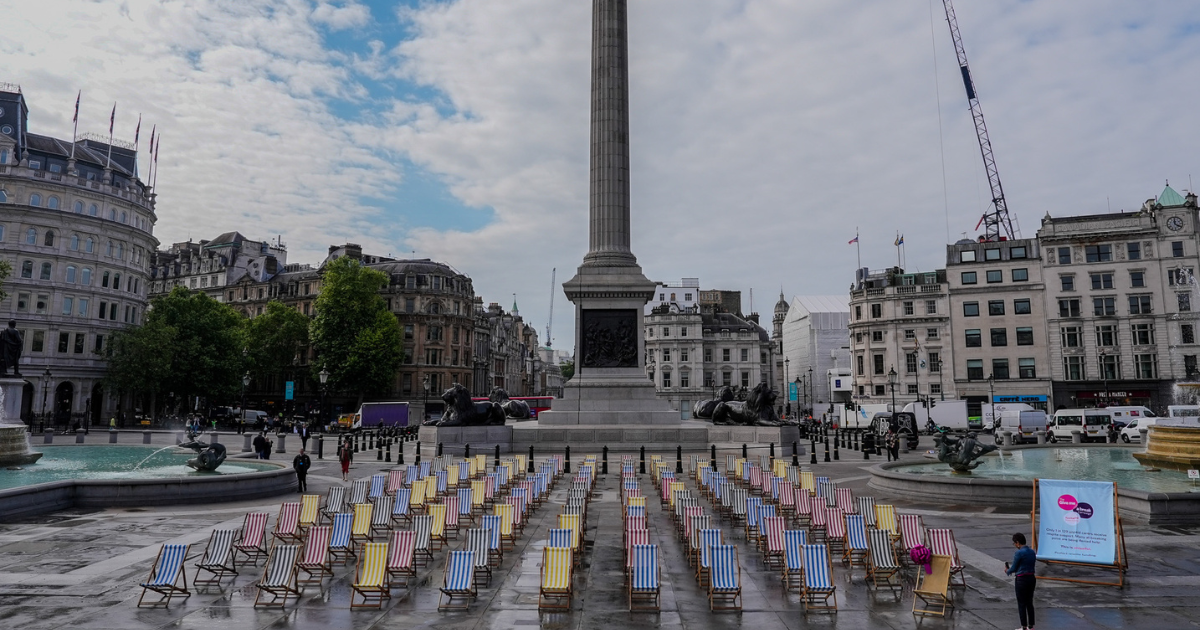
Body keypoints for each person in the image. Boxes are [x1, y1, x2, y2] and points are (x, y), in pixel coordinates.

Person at [1005, 532, 1037, 630]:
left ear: (1018, 542)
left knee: (1022, 603)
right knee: (1029, 602)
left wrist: (1007, 571)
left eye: (1014, 543)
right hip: (1031, 578)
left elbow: (1014, 567)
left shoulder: (1019, 553)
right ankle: (1031, 626)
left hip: (1021, 580)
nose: (1014, 545)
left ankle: (1024, 627)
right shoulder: (1032, 551)